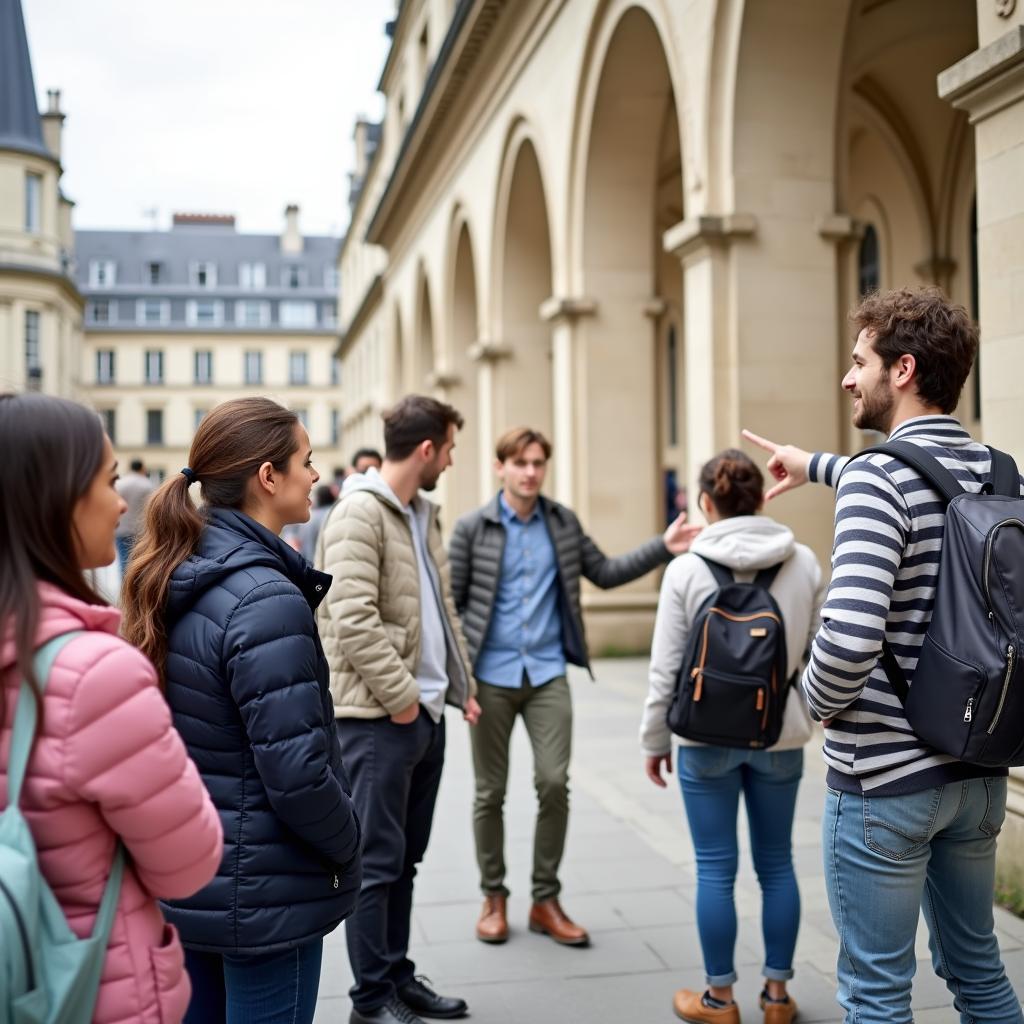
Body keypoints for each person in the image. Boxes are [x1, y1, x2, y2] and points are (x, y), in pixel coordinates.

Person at [743, 286, 1024, 1024]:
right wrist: (815, 464)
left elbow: (852, 635)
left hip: (887, 784)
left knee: (876, 992)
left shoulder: (876, 477)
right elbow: (920, 484)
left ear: (901, 370)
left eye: (858, 361)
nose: (846, 377)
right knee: (979, 973)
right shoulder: (1001, 473)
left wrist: (813, 709)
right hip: (979, 771)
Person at [121, 397, 362, 1024]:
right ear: (267, 476)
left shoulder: (179, 567)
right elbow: (299, 773)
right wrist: (347, 843)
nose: (315, 475)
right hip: (262, 895)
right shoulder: (265, 598)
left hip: (192, 877)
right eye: (305, 462)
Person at [0, 393, 223, 1024]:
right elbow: (190, 862)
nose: (123, 502)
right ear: (57, 499)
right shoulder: (96, 673)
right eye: (109, 479)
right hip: (86, 986)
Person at [448, 426, 700, 946]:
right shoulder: (473, 528)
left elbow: (604, 571)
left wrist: (664, 547)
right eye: (520, 463)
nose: (530, 472)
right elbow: (452, 606)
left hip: (546, 675)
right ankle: (493, 897)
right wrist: (459, 680)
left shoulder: (561, 523)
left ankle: (545, 899)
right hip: (488, 678)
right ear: (501, 467)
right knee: (488, 792)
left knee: (552, 782)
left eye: (538, 462)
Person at [641, 450, 825, 1024]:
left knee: (715, 868)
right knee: (776, 865)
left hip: (703, 738)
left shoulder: (686, 570)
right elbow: (820, 655)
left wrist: (655, 741)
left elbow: (667, 668)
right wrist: (807, 720)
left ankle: (719, 999)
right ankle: (776, 997)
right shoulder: (804, 564)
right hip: (779, 737)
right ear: (762, 497)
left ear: (705, 503)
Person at [316, 395, 481, 1024]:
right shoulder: (359, 513)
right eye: (450, 447)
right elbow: (351, 618)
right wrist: (406, 701)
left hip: (423, 717)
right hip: (379, 722)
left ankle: (396, 975)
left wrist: (461, 691)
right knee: (377, 864)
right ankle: (369, 1001)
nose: (451, 459)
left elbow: (441, 611)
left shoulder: (420, 512)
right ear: (427, 450)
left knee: (403, 859)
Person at [114, 456, 154, 571]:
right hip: (140, 530)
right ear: (142, 468)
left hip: (121, 528)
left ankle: (125, 587)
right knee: (139, 563)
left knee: (123, 562)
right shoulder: (147, 484)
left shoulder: (120, 483)